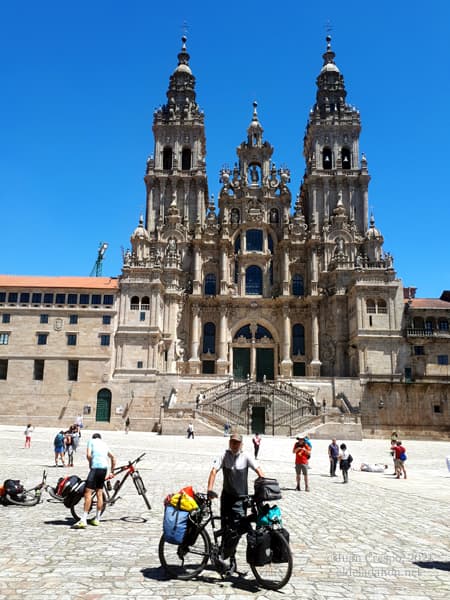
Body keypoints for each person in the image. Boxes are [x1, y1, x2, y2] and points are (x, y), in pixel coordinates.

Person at [207, 433, 264, 574]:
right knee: (226, 528)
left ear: (241, 444)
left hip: (240, 499)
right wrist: (210, 489)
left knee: (237, 530)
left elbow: (259, 470)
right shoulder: (224, 456)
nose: (234, 445)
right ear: (229, 443)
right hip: (227, 498)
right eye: (232, 442)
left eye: (237, 443)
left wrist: (264, 484)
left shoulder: (246, 456)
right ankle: (225, 557)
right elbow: (214, 471)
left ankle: (231, 558)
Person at [72, 433, 115, 529]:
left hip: (95, 468)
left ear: (93, 438)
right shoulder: (104, 444)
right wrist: (112, 471)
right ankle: (97, 519)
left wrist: (90, 464)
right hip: (104, 469)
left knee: (88, 493)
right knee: (99, 493)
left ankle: (83, 520)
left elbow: (88, 455)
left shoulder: (91, 441)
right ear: (100, 438)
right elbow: (113, 457)